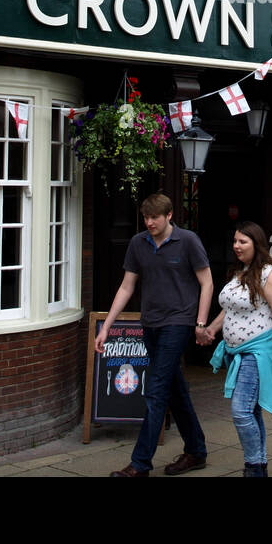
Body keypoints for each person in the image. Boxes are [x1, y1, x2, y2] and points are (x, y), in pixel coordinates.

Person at [96, 193, 213, 478]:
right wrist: (107, 326)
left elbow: (206, 281)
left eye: (155, 218)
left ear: (169, 215)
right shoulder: (138, 243)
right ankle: (196, 451)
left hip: (179, 322)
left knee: (157, 388)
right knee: (175, 388)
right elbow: (127, 287)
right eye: (146, 218)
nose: (149, 223)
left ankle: (140, 464)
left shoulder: (188, 241)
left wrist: (200, 322)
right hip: (150, 324)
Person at [201, 222, 272, 477]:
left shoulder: (269, 274)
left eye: (243, 241)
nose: (236, 246)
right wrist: (212, 329)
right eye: (235, 241)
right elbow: (230, 308)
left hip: (258, 353)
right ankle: (259, 464)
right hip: (238, 353)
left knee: (241, 410)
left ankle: (254, 467)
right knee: (251, 411)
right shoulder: (240, 272)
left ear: (257, 244)